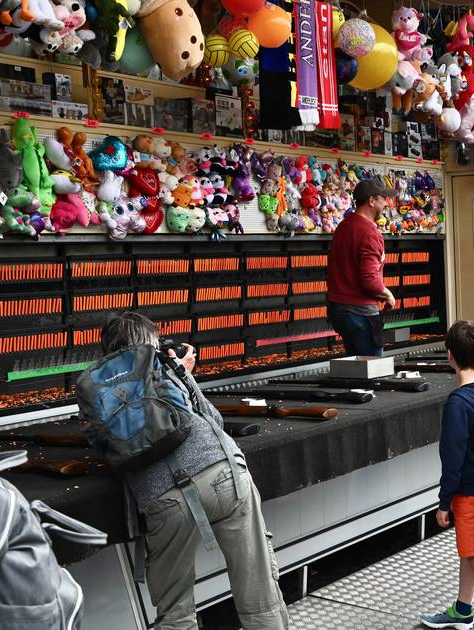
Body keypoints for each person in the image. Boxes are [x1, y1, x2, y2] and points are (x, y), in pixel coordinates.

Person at [77, 312, 288, 630]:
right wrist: (184, 374)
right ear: (152, 340)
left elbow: (107, 449)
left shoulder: (94, 386)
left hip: (163, 497)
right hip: (221, 474)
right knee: (258, 591)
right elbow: (211, 420)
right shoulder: (163, 364)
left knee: (175, 612)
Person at [421, 320, 474, 630]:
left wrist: (444, 501)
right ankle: (462, 608)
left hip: (468, 490)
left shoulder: (457, 403)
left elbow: (452, 457)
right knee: (470, 552)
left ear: (449, 356)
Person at [326, 177, 397, 356]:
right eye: (384, 199)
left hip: (338, 309)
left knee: (354, 369)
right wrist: (388, 295)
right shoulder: (370, 234)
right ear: (371, 201)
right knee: (373, 370)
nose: (387, 203)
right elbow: (369, 281)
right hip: (360, 312)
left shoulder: (342, 227)